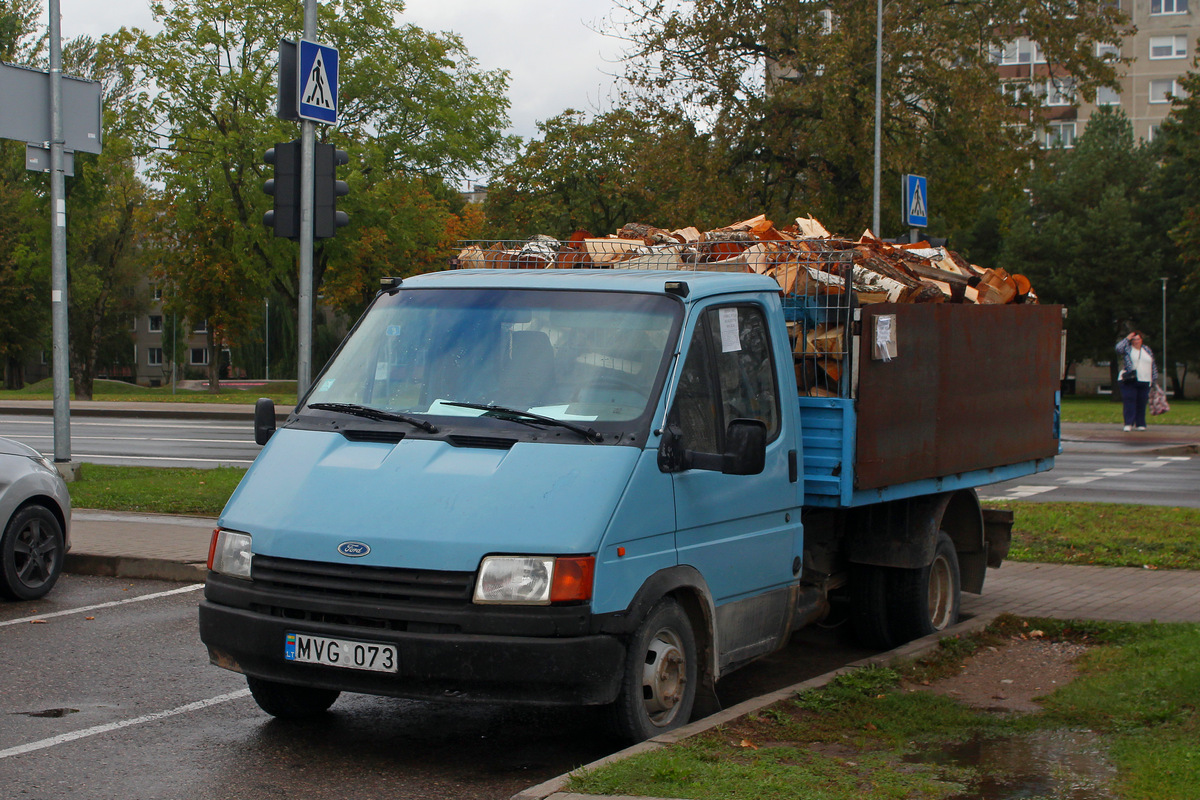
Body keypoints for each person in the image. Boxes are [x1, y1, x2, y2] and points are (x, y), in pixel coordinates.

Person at [1115, 331, 1157, 431]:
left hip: (1145, 379)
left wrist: (1154, 378)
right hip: (1130, 379)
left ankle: (1140, 424)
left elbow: (1153, 364)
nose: (1136, 341)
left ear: (1141, 340)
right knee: (1130, 401)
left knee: (1142, 402)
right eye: (1134, 339)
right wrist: (1127, 338)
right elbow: (1118, 348)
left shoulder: (1147, 349)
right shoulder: (1128, 349)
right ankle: (1128, 423)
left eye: (1138, 339)